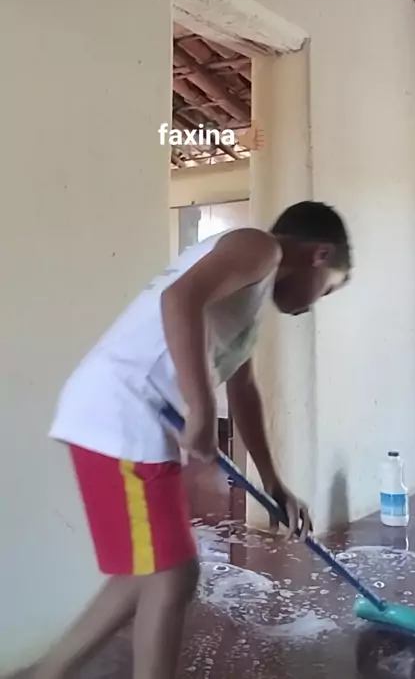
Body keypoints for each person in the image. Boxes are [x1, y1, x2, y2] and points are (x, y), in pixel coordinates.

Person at [31, 200, 351, 679]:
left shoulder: (251, 292)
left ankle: (45, 673)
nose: (311, 304)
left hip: (130, 414)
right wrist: (201, 407)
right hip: (125, 408)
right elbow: (178, 300)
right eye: (326, 289)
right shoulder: (259, 247)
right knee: (172, 573)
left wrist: (273, 482)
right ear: (319, 255)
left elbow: (243, 390)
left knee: (152, 572)